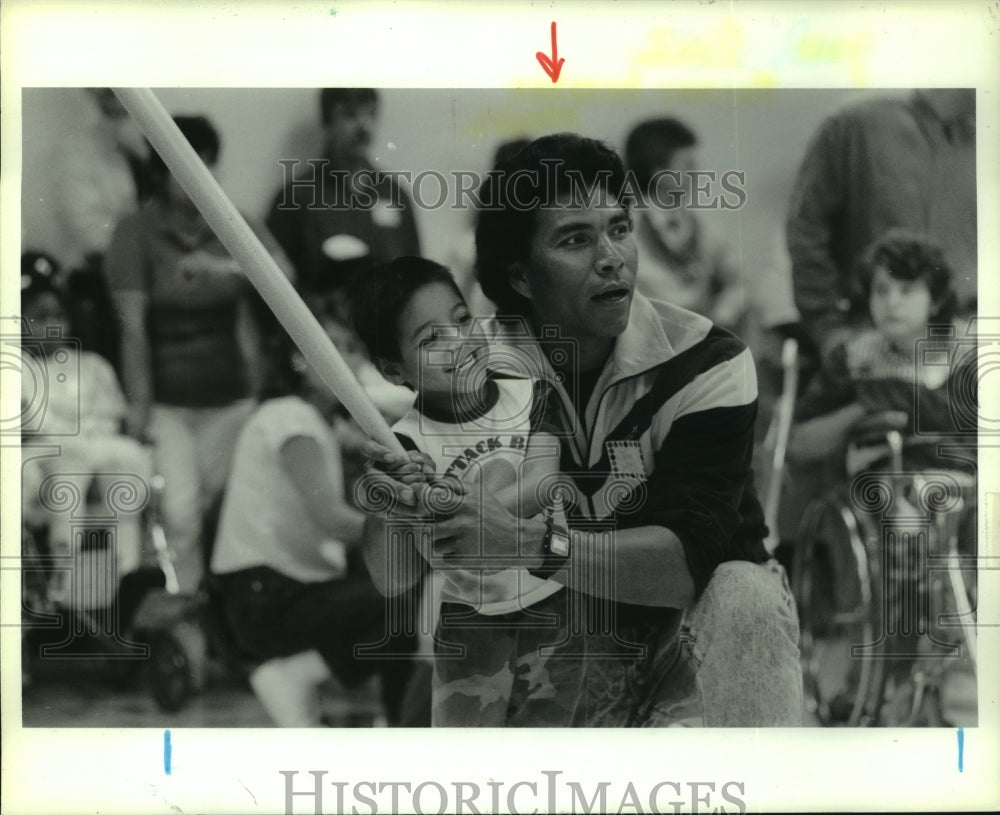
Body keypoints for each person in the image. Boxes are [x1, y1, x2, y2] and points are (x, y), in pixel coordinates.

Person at [362, 134, 802, 727]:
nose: (611, 256)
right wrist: (395, 503)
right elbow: (395, 578)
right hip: (557, 651)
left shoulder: (709, 361)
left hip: (692, 642)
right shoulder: (472, 361)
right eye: (575, 238)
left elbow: (686, 564)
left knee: (745, 592)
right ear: (520, 277)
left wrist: (522, 542)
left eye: (619, 229)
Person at [349, 256, 582, 726]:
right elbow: (394, 579)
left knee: (554, 753)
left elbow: (540, 485)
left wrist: (448, 505)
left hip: (557, 605)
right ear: (394, 371)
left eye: (461, 320)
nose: (460, 342)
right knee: (466, 765)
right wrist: (393, 505)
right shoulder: (405, 446)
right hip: (471, 624)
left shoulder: (534, 395)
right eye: (432, 339)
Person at [105, 114, 294, 594]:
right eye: (182, 169)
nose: (195, 180)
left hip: (232, 397)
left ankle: (232, 624)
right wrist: (139, 411)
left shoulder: (232, 220)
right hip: (169, 405)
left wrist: (226, 269)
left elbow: (285, 278)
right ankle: (186, 615)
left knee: (234, 512)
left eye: (206, 167)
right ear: (161, 172)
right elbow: (132, 330)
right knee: (181, 514)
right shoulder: (135, 232)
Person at [210, 314, 418, 727]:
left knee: (404, 602)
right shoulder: (291, 419)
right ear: (300, 360)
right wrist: (414, 531)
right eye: (334, 347)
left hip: (270, 590)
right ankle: (294, 676)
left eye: (352, 348)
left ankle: (392, 722)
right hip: (267, 594)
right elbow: (333, 521)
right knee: (403, 609)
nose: (349, 360)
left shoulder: (313, 421)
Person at [786, 89, 976, 357]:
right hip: (873, 349)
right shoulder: (856, 124)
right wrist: (829, 331)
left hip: (971, 350)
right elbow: (806, 230)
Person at [19, 252, 150, 606]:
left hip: (94, 448)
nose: (53, 326)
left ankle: (127, 579)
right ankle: (66, 576)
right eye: (39, 317)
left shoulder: (92, 365)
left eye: (58, 315)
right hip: (44, 457)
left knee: (129, 458)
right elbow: (33, 426)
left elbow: (109, 417)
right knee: (70, 458)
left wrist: (87, 437)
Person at [789, 230, 974, 468]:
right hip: (881, 490)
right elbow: (799, 446)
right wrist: (864, 405)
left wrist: (907, 396)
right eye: (881, 290)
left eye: (907, 290)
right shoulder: (855, 358)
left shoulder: (973, 351)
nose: (891, 303)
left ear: (936, 300)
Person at [267, 88, 422, 300]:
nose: (363, 126)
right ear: (328, 123)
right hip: (320, 328)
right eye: (350, 115)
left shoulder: (396, 194)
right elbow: (269, 284)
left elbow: (416, 277)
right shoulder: (295, 197)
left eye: (370, 114)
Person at [624, 118, 746, 332]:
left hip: (706, 337)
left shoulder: (706, 229)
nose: (696, 173)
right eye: (687, 165)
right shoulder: (626, 234)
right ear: (659, 172)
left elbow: (737, 282)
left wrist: (721, 319)